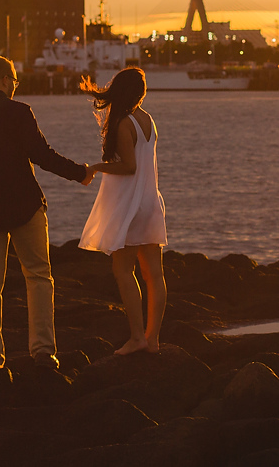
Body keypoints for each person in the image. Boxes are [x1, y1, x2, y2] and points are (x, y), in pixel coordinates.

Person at [0, 55, 99, 376]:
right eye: (14, 80)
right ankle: (43, 353)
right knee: (39, 277)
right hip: (25, 207)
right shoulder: (19, 113)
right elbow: (42, 156)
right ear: (4, 79)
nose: (16, 86)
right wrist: (80, 173)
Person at [79, 67, 168, 354]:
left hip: (130, 204)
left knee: (123, 270)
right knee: (154, 274)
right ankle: (152, 339)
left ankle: (137, 338)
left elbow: (128, 167)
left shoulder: (124, 123)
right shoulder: (148, 120)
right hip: (150, 202)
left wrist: (95, 167)